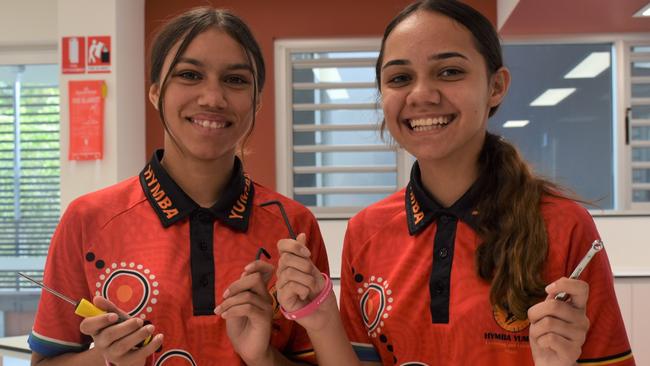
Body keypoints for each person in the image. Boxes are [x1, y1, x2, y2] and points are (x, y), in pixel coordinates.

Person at [275, 1, 635, 365]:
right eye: (400, 78)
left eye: (449, 71)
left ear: (496, 86)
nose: (421, 95)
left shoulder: (564, 226)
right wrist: (318, 318)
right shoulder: (365, 231)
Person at [28, 7, 328, 366]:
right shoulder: (88, 219)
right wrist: (106, 359)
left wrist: (264, 356)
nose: (213, 98)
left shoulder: (293, 226)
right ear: (155, 92)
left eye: (235, 80)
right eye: (189, 74)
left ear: (257, 101)